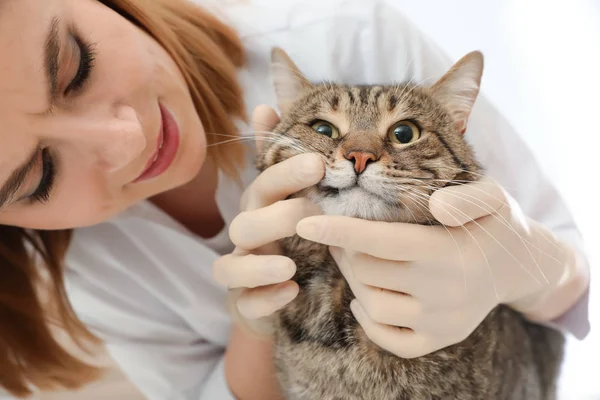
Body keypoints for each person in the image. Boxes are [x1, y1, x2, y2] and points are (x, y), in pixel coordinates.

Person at [0, 0, 590, 399]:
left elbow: (577, 278)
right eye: (39, 176)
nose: (128, 141)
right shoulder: (91, 272)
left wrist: (520, 261)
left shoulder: (345, 32)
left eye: (75, 68)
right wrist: (256, 325)